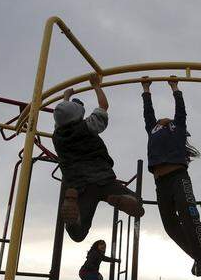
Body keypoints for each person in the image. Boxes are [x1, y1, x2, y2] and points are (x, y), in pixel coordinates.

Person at [52, 73, 145, 242]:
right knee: (138, 203)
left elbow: (62, 116)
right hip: (103, 179)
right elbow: (104, 105)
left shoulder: (57, 136)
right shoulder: (88, 126)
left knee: (78, 235)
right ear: (79, 116)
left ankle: (74, 220)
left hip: (79, 187)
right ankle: (121, 199)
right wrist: (96, 85)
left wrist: (66, 97)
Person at [140, 76, 201, 277]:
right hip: (160, 182)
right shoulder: (152, 128)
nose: (163, 119)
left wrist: (175, 87)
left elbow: (181, 109)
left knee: (188, 215)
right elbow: (148, 112)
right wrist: (146, 89)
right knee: (170, 226)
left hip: (178, 177)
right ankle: (200, 257)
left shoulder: (178, 126)